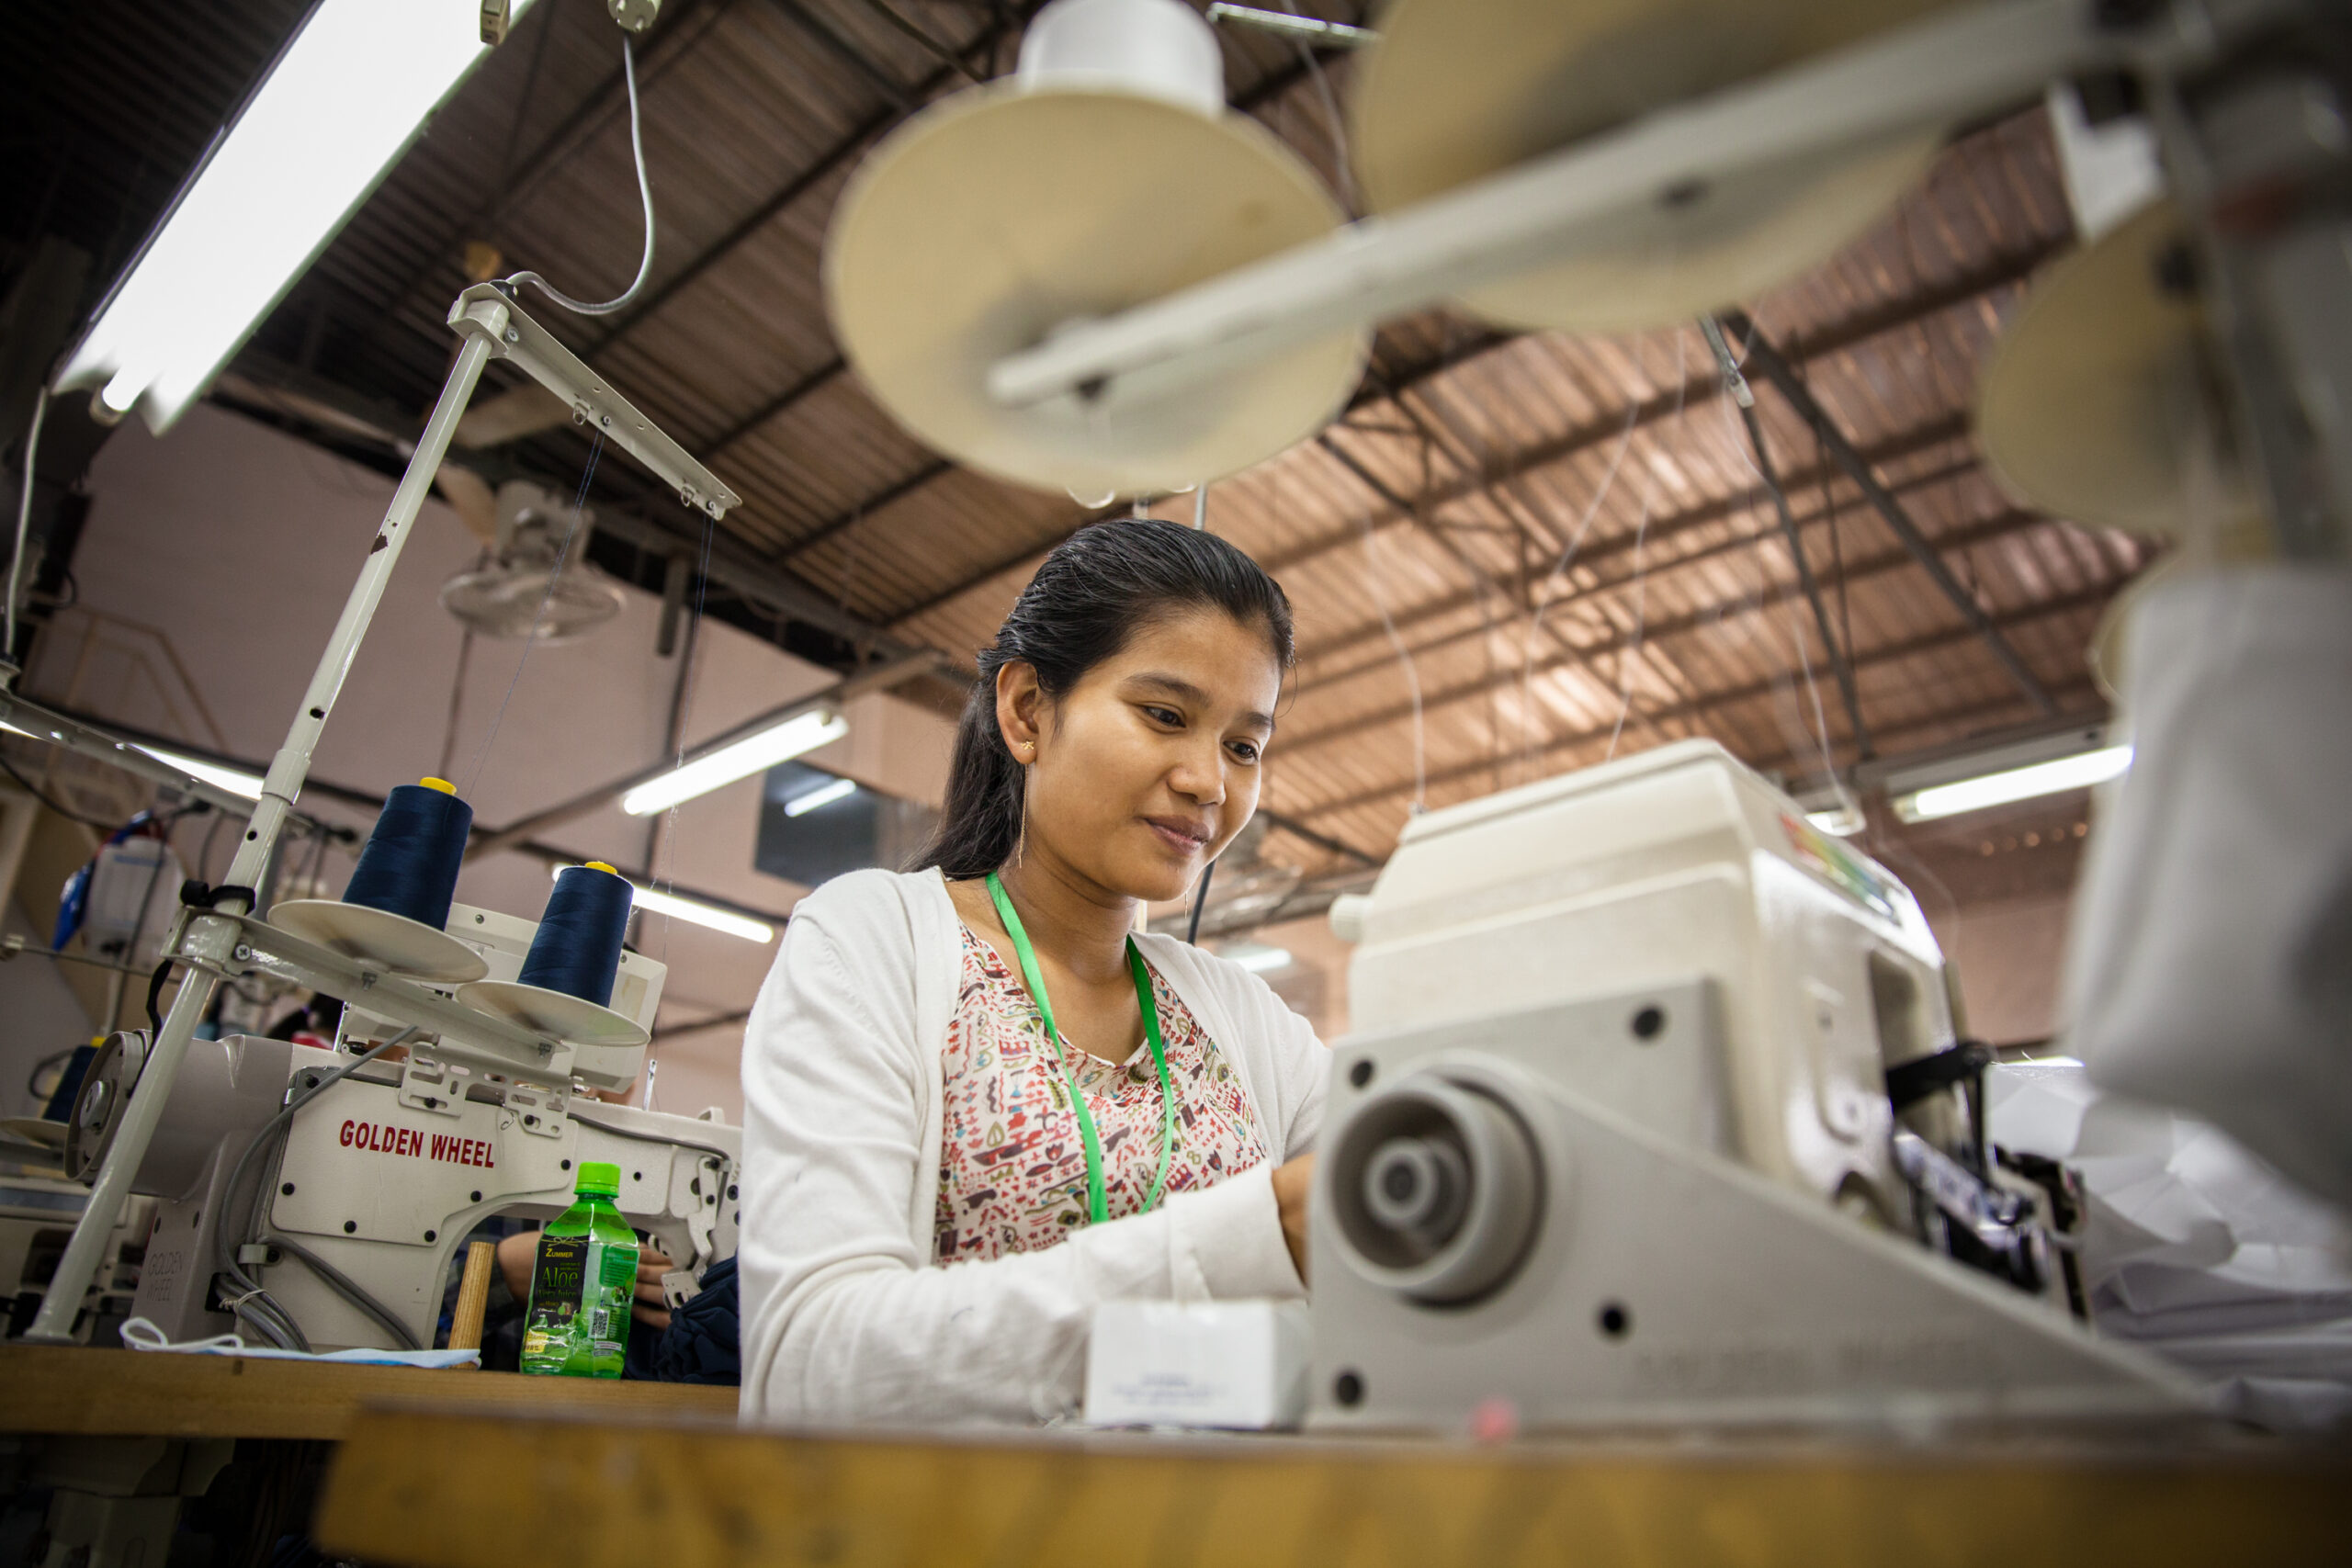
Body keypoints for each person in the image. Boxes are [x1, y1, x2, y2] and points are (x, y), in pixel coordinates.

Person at [738, 518, 1329, 1425]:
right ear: (1025, 710)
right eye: (1165, 716)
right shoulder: (874, 942)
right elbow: (810, 1365)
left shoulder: (1245, 1025)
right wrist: (1254, 1237)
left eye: (1244, 746)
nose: (1211, 781)